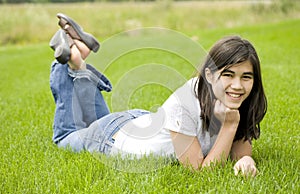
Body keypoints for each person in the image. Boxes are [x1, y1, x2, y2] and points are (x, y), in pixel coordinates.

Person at [49, 13, 267, 177]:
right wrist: (229, 126)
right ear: (209, 75)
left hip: (138, 121)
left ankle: (78, 58)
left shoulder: (240, 101)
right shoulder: (185, 104)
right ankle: (68, 59)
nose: (237, 85)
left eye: (246, 77)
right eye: (228, 75)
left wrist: (246, 160)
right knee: (65, 137)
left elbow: (238, 152)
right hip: (111, 139)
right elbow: (200, 171)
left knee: (91, 122)